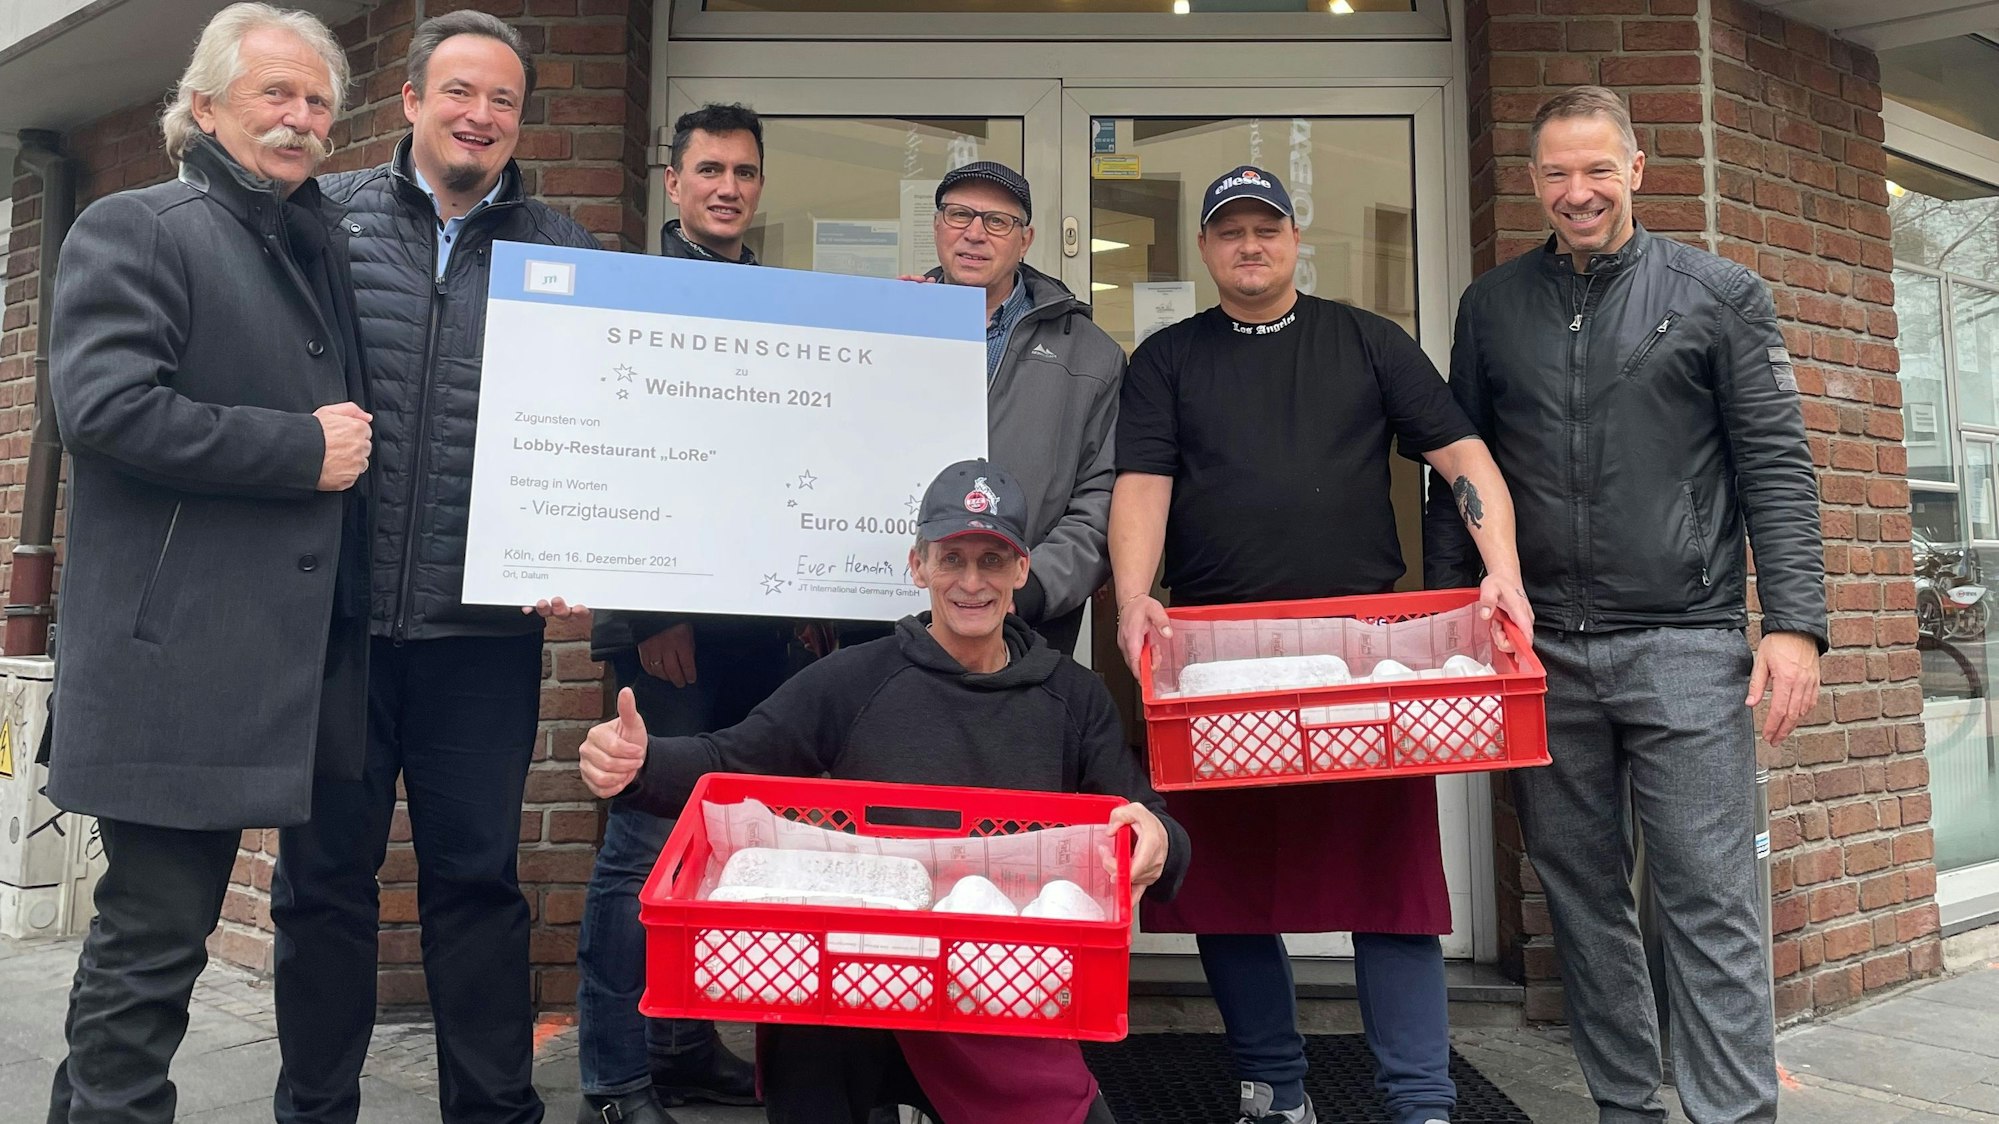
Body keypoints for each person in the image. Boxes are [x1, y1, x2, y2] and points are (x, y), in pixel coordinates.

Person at [1423, 86, 1824, 1124]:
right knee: (1580, 899)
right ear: (1531, 181)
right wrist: (1451, 627)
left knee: (1709, 898)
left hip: (1684, 644)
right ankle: (1625, 1106)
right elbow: (1458, 473)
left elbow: (1776, 466)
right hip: (1539, 652)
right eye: (1557, 172)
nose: (1578, 191)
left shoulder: (1717, 294)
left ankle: (1732, 1112)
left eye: (1597, 168)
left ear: (1636, 169)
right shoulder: (1490, 306)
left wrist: (1792, 626)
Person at [1111, 165, 1533, 1124]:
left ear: (1295, 239)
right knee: (1225, 889)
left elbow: (1462, 455)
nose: (1249, 245)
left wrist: (1499, 571)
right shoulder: (1167, 358)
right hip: (1214, 661)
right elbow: (1142, 482)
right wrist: (1133, 597)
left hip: (1363, 660)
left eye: (1265, 228)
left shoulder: (1366, 340)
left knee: (1389, 887)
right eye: (1229, 231)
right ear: (1206, 248)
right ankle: (1273, 1090)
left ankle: (1420, 1102)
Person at [579, 460, 1189, 1124]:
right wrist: (639, 764)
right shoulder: (854, 678)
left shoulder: (1071, 697)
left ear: (1021, 570)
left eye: (991, 560)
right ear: (918, 565)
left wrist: (1156, 840)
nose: (971, 582)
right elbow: (732, 759)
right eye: (951, 559)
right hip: (852, 982)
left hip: (999, 988)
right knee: (803, 1051)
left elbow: (1145, 819)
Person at [269, 13, 599, 1124]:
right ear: (410, 101)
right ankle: (315, 1107)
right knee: (322, 884)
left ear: (521, 119)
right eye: (459, 91)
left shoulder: (564, 247)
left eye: (503, 99)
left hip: (483, 633)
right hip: (338, 624)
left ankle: (494, 1109)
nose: (480, 115)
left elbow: (609, 419)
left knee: (478, 884)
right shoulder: (321, 219)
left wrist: (582, 541)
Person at [40, 5, 367, 1121]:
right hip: (174, 666)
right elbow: (102, 410)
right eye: (276, 92)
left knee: (153, 957)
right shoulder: (140, 226)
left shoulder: (308, 246)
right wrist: (299, 450)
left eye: (318, 101)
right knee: (151, 953)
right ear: (205, 105)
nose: (301, 117)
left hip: (285, 666)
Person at [577, 102, 775, 1124]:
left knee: (726, 846)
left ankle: (683, 1046)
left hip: (767, 638)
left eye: (743, 171)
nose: (727, 187)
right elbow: (608, 454)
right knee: (641, 851)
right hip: (669, 639)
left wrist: (817, 609)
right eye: (709, 170)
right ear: (673, 181)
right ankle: (614, 1079)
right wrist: (640, 614)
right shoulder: (630, 293)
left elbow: (788, 463)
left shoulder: (783, 303)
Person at [915, 160, 1126, 656]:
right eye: (959, 215)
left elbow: (1100, 499)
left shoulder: (1091, 355)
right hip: (885, 619)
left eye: (997, 221)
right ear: (937, 226)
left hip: (1026, 629)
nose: (974, 233)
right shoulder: (881, 325)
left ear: (1025, 240)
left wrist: (1032, 586)